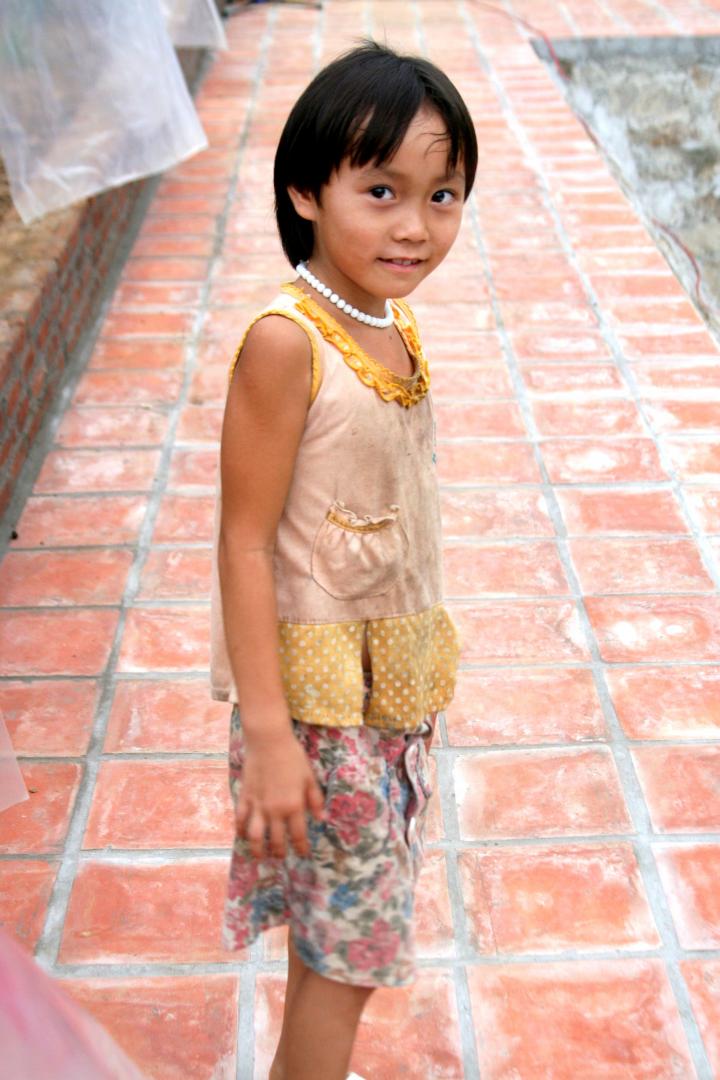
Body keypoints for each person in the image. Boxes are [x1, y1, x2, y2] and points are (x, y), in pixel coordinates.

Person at [211, 40, 477, 1079]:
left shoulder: (389, 319)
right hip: (319, 715)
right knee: (350, 949)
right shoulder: (289, 341)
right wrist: (271, 736)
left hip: (388, 690)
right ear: (305, 192)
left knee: (348, 931)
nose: (416, 225)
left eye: (442, 192)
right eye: (381, 190)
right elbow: (243, 541)